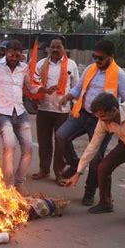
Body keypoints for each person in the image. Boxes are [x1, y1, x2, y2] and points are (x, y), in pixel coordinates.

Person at [64, 93, 125, 227]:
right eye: (99, 117)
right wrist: (78, 172)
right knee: (103, 168)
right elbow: (92, 146)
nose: (101, 120)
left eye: (104, 116)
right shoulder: (102, 122)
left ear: (114, 110)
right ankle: (105, 203)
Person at [56, 40, 125, 206]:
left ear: (111, 57)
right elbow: (78, 88)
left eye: (100, 58)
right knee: (61, 136)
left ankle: (89, 193)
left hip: (102, 121)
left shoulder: (119, 74)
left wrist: (119, 117)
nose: (97, 61)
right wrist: (68, 96)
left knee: (96, 159)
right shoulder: (90, 69)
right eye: (94, 57)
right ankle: (75, 163)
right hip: (82, 114)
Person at [0, 40, 41, 197]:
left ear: (21, 55)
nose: (14, 57)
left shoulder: (24, 68)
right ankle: (9, 184)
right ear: (6, 52)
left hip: (20, 112)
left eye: (18, 55)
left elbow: (30, 87)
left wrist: (43, 89)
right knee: (10, 146)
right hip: (1, 112)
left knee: (28, 149)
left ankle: (19, 183)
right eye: (11, 53)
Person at [31, 36, 79, 184]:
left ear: (64, 48)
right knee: (44, 142)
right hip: (44, 108)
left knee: (61, 144)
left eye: (58, 47)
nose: (55, 50)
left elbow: (77, 87)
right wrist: (43, 90)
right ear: (49, 48)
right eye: (53, 47)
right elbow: (33, 83)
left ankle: (59, 173)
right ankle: (44, 170)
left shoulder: (72, 65)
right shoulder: (41, 64)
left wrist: (76, 108)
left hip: (62, 111)